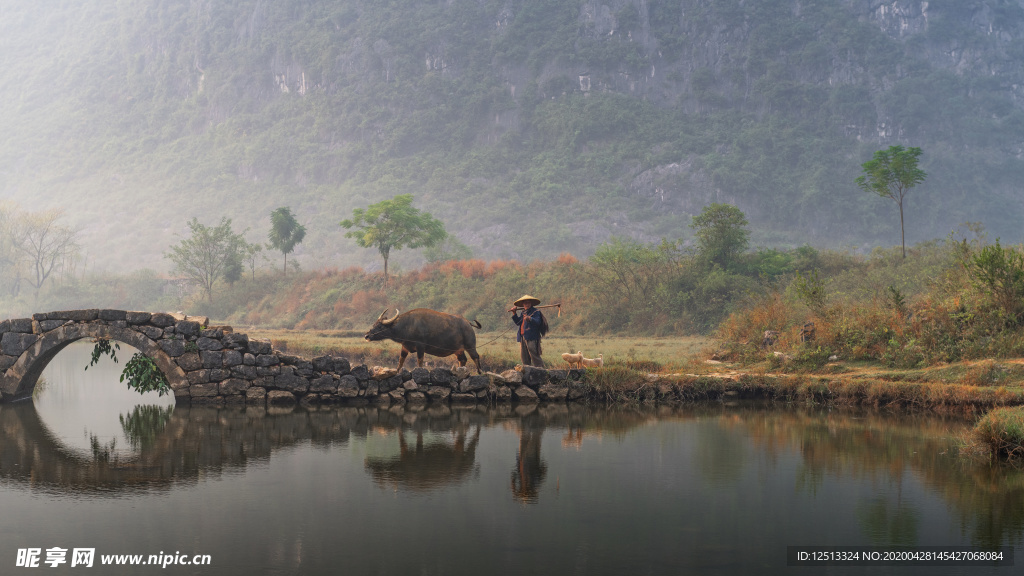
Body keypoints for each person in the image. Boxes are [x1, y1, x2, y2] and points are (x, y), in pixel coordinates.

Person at [510, 294, 546, 368]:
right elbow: (518, 323)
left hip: (532, 336)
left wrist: (530, 319)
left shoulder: (536, 312)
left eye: (528, 303)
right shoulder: (523, 312)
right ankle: (527, 370)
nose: (527, 304)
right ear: (523, 304)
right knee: (524, 356)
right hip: (522, 336)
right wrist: (514, 313)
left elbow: (538, 322)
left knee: (534, 354)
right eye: (525, 303)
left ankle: (541, 369)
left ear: (531, 303)